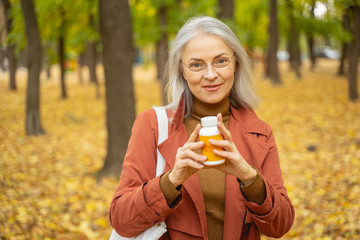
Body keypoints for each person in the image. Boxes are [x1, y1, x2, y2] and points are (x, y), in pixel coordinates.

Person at [109, 16, 295, 240]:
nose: (210, 74)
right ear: (183, 71)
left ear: (236, 63)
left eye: (221, 61)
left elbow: (280, 226)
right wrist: (172, 180)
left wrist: (248, 176)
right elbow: (122, 221)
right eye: (196, 64)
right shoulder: (152, 125)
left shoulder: (259, 132)